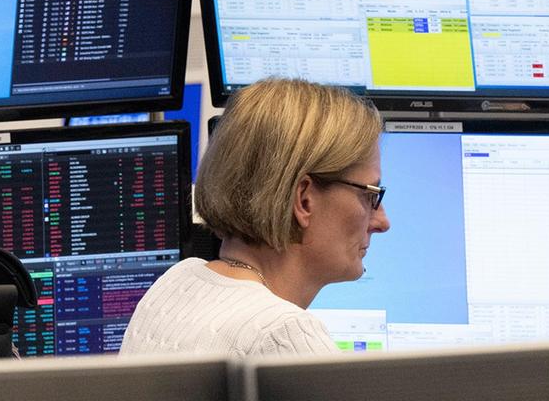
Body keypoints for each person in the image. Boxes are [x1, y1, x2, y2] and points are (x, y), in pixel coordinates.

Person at [120, 78, 390, 357]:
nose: (382, 222)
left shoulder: (176, 283)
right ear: (304, 200)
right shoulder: (284, 335)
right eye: (371, 196)